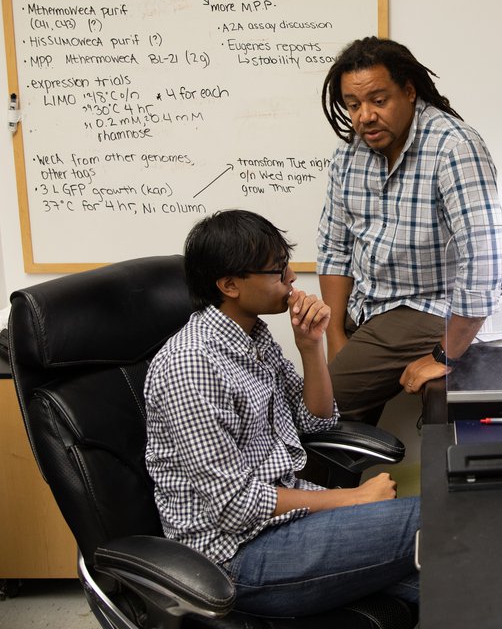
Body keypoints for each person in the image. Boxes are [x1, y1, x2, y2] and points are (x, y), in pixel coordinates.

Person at [144, 210, 419, 617]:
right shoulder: (190, 366)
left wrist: (311, 345)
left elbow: (317, 421)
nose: (292, 279)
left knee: (451, 572)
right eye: (277, 271)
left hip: (286, 521)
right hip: (235, 558)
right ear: (229, 285)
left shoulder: (254, 336)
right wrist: (352, 498)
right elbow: (235, 505)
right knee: (433, 519)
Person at [317, 36, 502, 424]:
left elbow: (484, 259)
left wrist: (444, 354)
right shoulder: (349, 152)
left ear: (408, 91)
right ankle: (347, 488)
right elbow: (334, 246)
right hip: (366, 306)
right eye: (353, 105)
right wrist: (335, 334)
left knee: (317, 407)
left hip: (423, 306)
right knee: (338, 432)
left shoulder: (454, 147)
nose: (365, 116)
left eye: (378, 100)